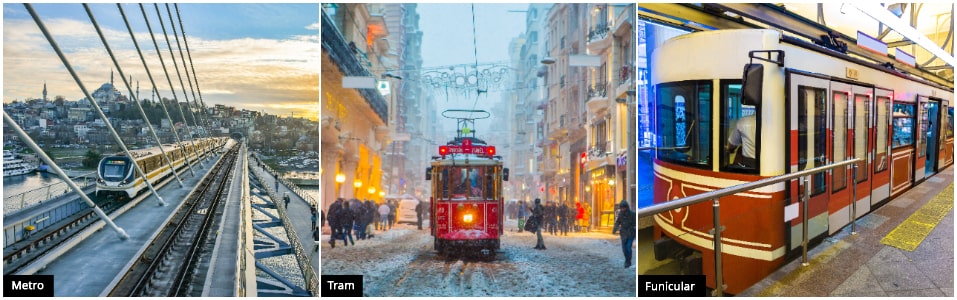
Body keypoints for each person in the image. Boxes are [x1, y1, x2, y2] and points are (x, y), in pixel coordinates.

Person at [612, 200, 636, 268]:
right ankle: (627, 260)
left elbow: (635, 223)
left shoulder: (632, 214)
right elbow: (617, 222)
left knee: (628, 247)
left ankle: (628, 261)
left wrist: (635, 231)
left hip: (630, 233)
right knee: (624, 249)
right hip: (623, 234)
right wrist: (614, 229)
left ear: (626, 207)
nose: (622, 209)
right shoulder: (620, 214)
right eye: (621, 208)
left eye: (623, 208)